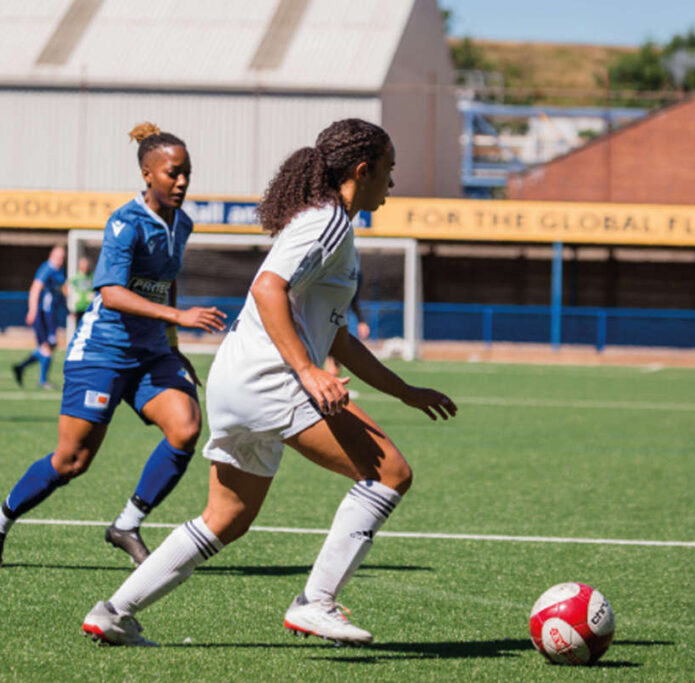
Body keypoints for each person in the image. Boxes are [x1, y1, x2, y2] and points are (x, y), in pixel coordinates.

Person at [80, 119, 458, 647]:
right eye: (389, 171)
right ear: (362, 170)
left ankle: (114, 611)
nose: (392, 184)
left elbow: (337, 337)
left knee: (226, 518)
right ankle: (316, 603)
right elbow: (266, 288)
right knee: (389, 473)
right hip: (269, 379)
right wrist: (306, 371)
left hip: (238, 381)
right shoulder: (327, 222)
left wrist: (405, 391)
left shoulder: (329, 226)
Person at [0, 122, 227, 570]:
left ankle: (127, 525)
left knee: (186, 428)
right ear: (148, 175)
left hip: (151, 353)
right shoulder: (125, 223)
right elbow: (111, 292)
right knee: (72, 461)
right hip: (102, 352)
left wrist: (172, 345)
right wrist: (179, 318)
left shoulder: (182, 223)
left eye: (187, 171)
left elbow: (165, 285)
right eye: (173, 172)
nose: (183, 181)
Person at [12, 244, 68, 389]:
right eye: (58, 256)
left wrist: (67, 306)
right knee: (47, 346)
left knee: (49, 346)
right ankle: (43, 381)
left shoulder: (59, 271)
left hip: (51, 313)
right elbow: (35, 288)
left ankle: (21, 367)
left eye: (63, 257)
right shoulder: (47, 268)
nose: (61, 259)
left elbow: (59, 292)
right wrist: (32, 310)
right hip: (43, 314)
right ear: (51, 255)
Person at [68, 256, 95, 327]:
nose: (84, 267)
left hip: (89, 307)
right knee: (79, 328)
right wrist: (70, 306)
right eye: (83, 265)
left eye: (86, 265)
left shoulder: (92, 277)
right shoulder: (75, 277)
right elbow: (67, 288)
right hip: (79, 307)